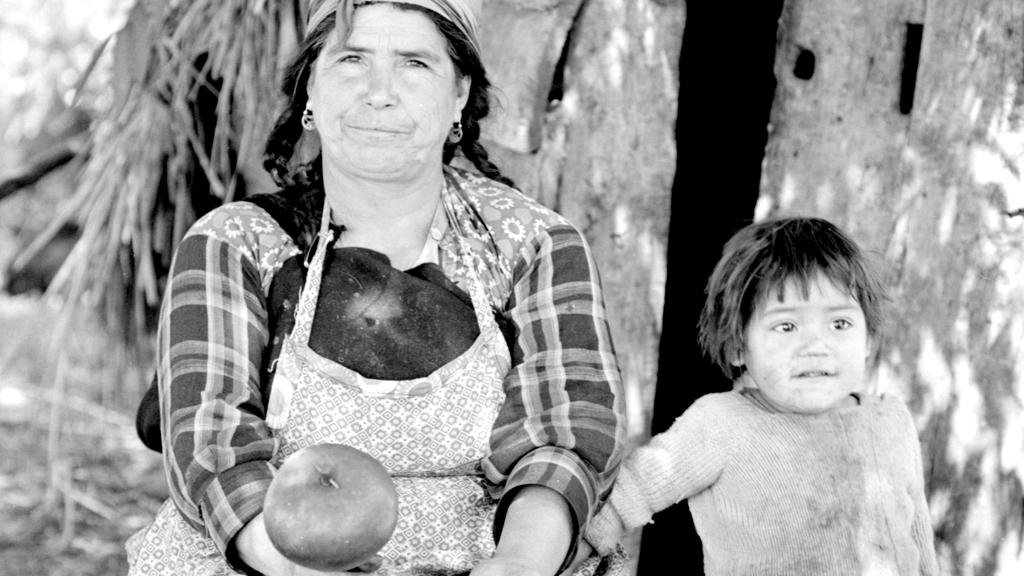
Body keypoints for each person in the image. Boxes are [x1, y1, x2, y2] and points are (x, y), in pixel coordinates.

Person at [125, 1, 629, 575]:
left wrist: (518, 564)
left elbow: (567, 432)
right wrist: (293, 566)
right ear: (310, 88)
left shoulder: (534, 242)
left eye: (414, 63)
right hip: (275, 556)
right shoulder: (237, 242)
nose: (379, 91)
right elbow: (209, 442)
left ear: (460, 93)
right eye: (351, 60)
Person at [584, 216, 940, 575]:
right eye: (786, 326)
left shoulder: (890, 421)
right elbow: (628, 495)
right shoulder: (720, 424)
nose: (817, 345)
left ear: (869, 340)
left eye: (839, 324)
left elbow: (918, 537)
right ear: (739, 345)